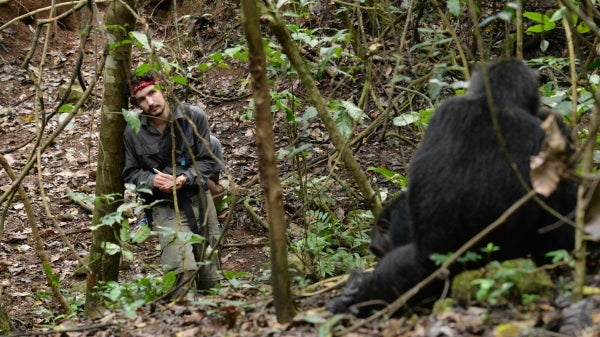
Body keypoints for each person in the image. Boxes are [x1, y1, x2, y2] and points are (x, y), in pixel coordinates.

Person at [123, 70, 222, 297]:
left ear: (164, 89)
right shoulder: (133, 130)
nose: (150, 102)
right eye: (141, 99)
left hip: (199, 199)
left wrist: (185, 177)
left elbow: (209, 161)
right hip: (164, 206)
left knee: (210, 275)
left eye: (152, 93)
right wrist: (151, 180)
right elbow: (129, 174)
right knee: (182, 272)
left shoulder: (193, 117)